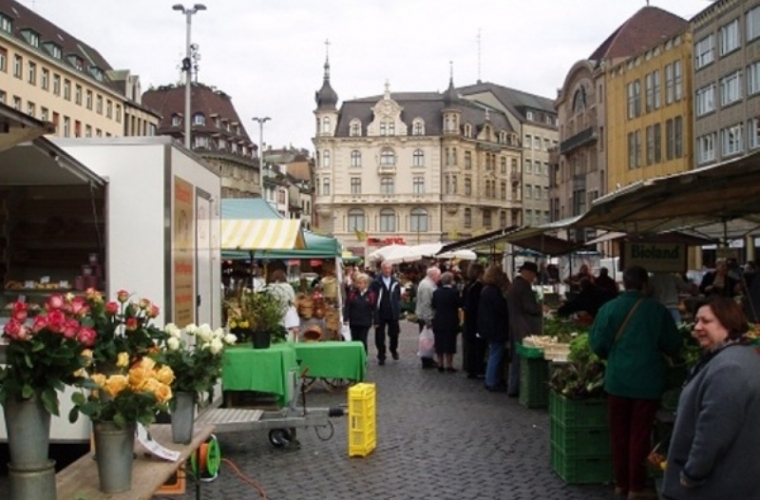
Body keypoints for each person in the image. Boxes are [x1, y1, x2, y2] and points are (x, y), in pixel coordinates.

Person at [590, 265, 682, 499]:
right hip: (647, 382)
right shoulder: (657, 310)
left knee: (618, 434)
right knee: (640, 434)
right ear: (645, 285)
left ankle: (620, 484)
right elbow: (673, 344)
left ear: (623, 283)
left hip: (617, 381)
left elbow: (598, 346)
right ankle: (636, 487)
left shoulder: (608, 309)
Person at [661, 297, 760, 500]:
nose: (697, 327)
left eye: (706, 321)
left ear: (728, 322)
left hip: (717, 485)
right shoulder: (739, 356)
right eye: (696, 321)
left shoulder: (730, 368)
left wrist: (692, 473)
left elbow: (714, 431)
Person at [506, 261, 543, 397]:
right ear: (528, 273)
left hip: (515, 324)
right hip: (523, 326)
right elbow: (529, 307)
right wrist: (541, 308)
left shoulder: (515, 284)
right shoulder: (523, 286)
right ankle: (515, 388)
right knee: (519, 358)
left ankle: (513, 386)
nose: (534, 278)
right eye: (533, 275)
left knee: (516, 357)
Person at [478, 265, 510, 392]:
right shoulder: (494, 292)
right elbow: (502, 309)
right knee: (495, 354)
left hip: (489, 327)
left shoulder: (486, 290)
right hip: (495, 328)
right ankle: (491, 381)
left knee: (493, 353)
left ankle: (490, 379)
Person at [369, 260, 401, 366]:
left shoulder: (395, 282)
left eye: (389, 268)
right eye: (385, 268)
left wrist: (397, 308)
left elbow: (398, 296)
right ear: (381, 269)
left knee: (394, 333)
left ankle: (393, 349)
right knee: (379, 335)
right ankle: (381, 355)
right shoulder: (375, 282)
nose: (387, 270)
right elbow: (372, 297)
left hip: (392, 311)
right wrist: (374, 312)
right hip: (380, 311)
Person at [431, 272, 462, 373]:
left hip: (439, 320)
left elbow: (433, 305)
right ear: (451, 281)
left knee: (439, 342)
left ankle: (440, 363)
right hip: (451, 320)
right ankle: (449, 364)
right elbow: (459, 304)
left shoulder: (436, 292)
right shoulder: (454, 292)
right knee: (450, 342)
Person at [462, 263, 486, 379]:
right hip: (475, 321)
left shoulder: (468, 286)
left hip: (469, 320)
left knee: (470, 346)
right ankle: (475, 368)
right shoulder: (477, 288)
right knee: (476, 346)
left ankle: (470, 367)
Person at [415, 266, 441, 369]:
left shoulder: (428, 284)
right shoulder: (427, 286)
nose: (439, 278)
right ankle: (426, 361)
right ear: (432, 275)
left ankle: (428, 359)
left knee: (427, 339)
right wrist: (428, 319)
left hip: (425, 316)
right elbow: (426, 304)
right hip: (425, 317)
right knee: (426, 340)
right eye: (438, 276)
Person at [343, 273, 375, 354]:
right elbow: (348, 306)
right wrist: (346, 318)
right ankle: (356, 357)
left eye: (360, 283)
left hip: (365, 322)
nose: (358, 285)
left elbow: (374, 308)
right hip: (354, 321)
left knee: (363, 340)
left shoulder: (371, 294)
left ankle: (364, 357)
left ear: (366, 284)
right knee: (355, 340)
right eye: (358, 283)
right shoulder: (352, 294)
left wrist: (376, 320)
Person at [267, 269, 299, 341]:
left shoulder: (269, 287)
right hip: (286, 314)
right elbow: (294, 302)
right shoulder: (288, 287)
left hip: (273, 314)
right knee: (288, 334)